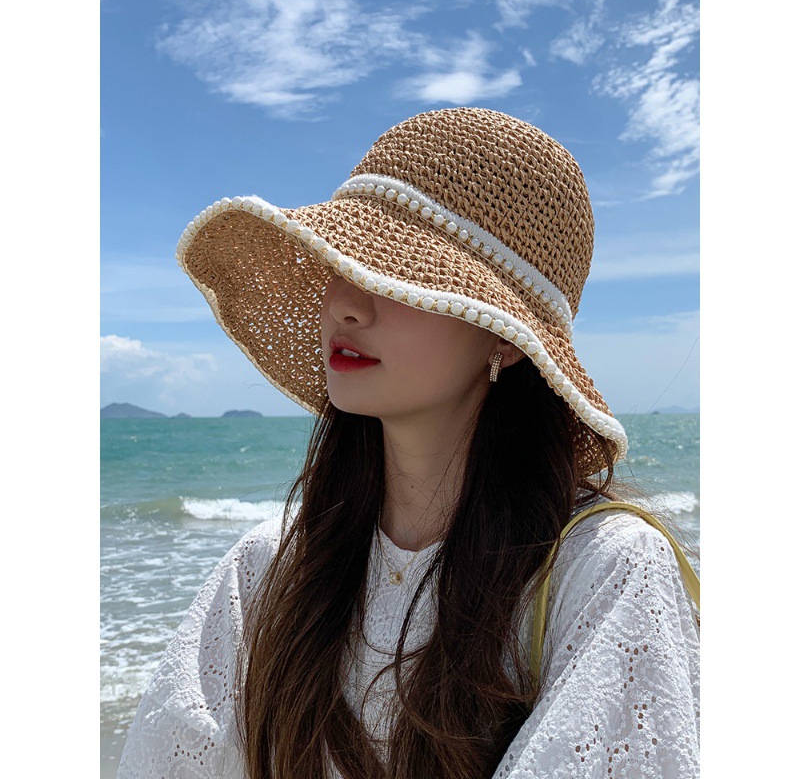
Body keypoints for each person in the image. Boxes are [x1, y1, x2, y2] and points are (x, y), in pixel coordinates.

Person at [117, 107, 700, 779]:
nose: (346, 303)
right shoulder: (269, 570)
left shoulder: (602, 570)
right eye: (342, 261)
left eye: (396, 275)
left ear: (508, 338)